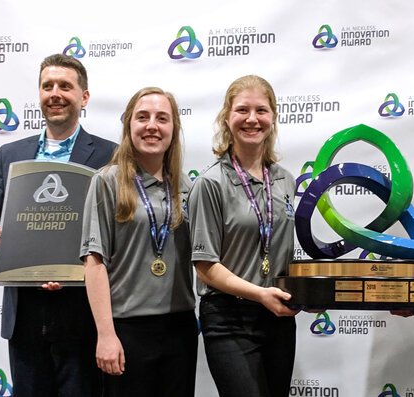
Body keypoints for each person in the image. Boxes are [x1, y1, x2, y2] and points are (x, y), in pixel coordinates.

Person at [0, 53, 116, 397]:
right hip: (24, 314)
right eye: (47, 86)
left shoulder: (109, 155)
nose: (55, 93)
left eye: (65, 86)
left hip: (80, 315)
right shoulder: (11, 153)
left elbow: (115, 237)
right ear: (39, 94)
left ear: (83, 97)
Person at [80, 87, 197, 397]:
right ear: (128, 125)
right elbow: (93, 262)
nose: (152, 126)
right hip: (128, 329)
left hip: (180, 328)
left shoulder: (187, 186)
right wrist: (106, 334)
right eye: (142, 117)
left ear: (174, 129)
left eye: (162, 118)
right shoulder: (107, 181)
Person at [188, 75, 298, 397]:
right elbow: (205, 264)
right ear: (227, 117)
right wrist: (259, 294)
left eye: (261, 110)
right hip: (228, 318)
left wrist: (312, 292)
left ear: (273, 117)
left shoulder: (285, 181)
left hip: (277, 316)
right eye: (242, 110)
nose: (252, 119)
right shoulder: (210, 183)